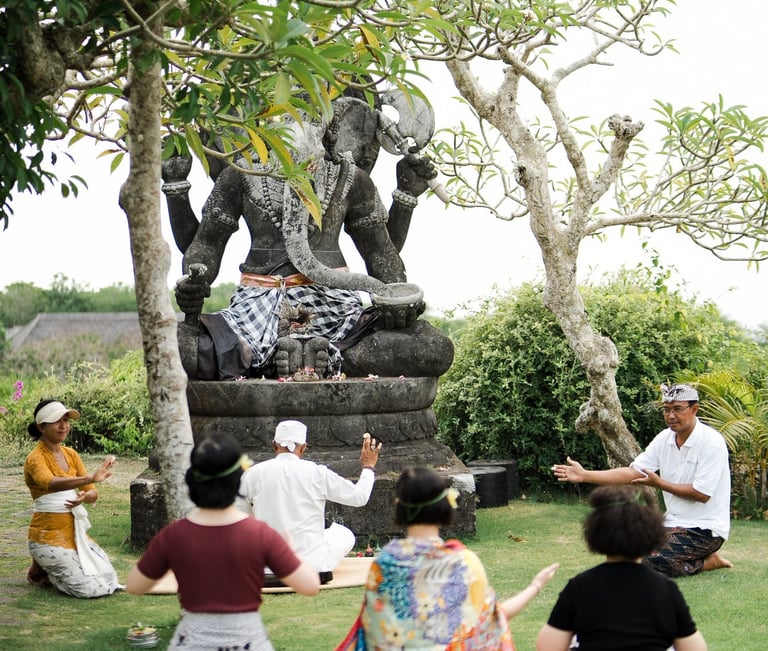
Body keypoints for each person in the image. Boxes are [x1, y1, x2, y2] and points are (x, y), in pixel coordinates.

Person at [163, 95, 453, 380]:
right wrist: (196, 278)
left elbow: (381, 252)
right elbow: (206, 245)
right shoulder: (241, 173)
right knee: (173, 349)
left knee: (432, 348)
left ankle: (315, 356)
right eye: (285, 118)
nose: (298, 128)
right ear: (262, 127)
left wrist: (398, 300)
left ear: (331, 128)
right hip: (258, 307)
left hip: (338, 309)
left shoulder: (350, 178)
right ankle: (315, 358)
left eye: (312, 119)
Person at [126, 432, 319, 650]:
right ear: (238, 479)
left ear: (191, 482)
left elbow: (134, 585)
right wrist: (292, 552)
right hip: (247, 642)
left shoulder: (174, 535)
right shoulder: (261, 535)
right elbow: (310, 586)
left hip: (192, 642)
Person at [338, 466, 559, 650]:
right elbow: (489, 620)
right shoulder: (464, 563)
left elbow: (374, 635)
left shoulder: (383, 565)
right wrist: (534, 586)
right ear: (445, 507)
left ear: (399, 508)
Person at [552, 383, 733, 577]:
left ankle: (707, 563)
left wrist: (659, 483)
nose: (670, 416)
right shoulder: (664, 438)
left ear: (694, 409)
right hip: (671, 523)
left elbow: (702, 494)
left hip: (705, 529)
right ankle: (696, 559)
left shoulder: (711, 443)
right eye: (666, 410)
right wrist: (586, 475)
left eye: (677, 409)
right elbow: (633, 473)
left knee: (648, 561)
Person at [536, 485, 708, 651]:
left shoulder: (579, 586)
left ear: (595, 531)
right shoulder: (666, 589)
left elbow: (548, 647)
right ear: (653, 532)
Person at [240, 419, 381, 581]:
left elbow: (240, 518)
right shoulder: (317, 473)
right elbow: (359, 497)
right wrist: (368, 467)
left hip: (266, 570)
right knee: (344, 534)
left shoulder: (253, 474)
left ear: (274, 445)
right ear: (303, 448)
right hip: (312, 568)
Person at [23, 398, 120, 598]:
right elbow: (48, 482)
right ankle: (44, 565)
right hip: (47, 536)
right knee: (89, 590)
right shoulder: (35, 458)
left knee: (109, 580)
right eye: (57, 420)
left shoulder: (71, 454)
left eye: (66, 420)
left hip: (74, 534)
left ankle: (42, 568)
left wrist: (85, 496)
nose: (63, 425)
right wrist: (88, 478)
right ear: (42, 426)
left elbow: (93, 494)